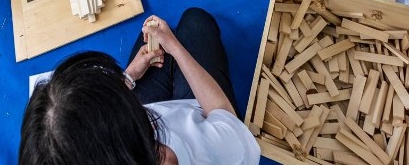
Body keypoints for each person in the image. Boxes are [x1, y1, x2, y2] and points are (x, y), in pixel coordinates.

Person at [20, 9, 261, 164]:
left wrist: (131, 74)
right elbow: (223, 113)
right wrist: (176, 48)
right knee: (195, 22)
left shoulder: (65, 152)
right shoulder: (220, 151)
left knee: (148, 44)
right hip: (207, 118)